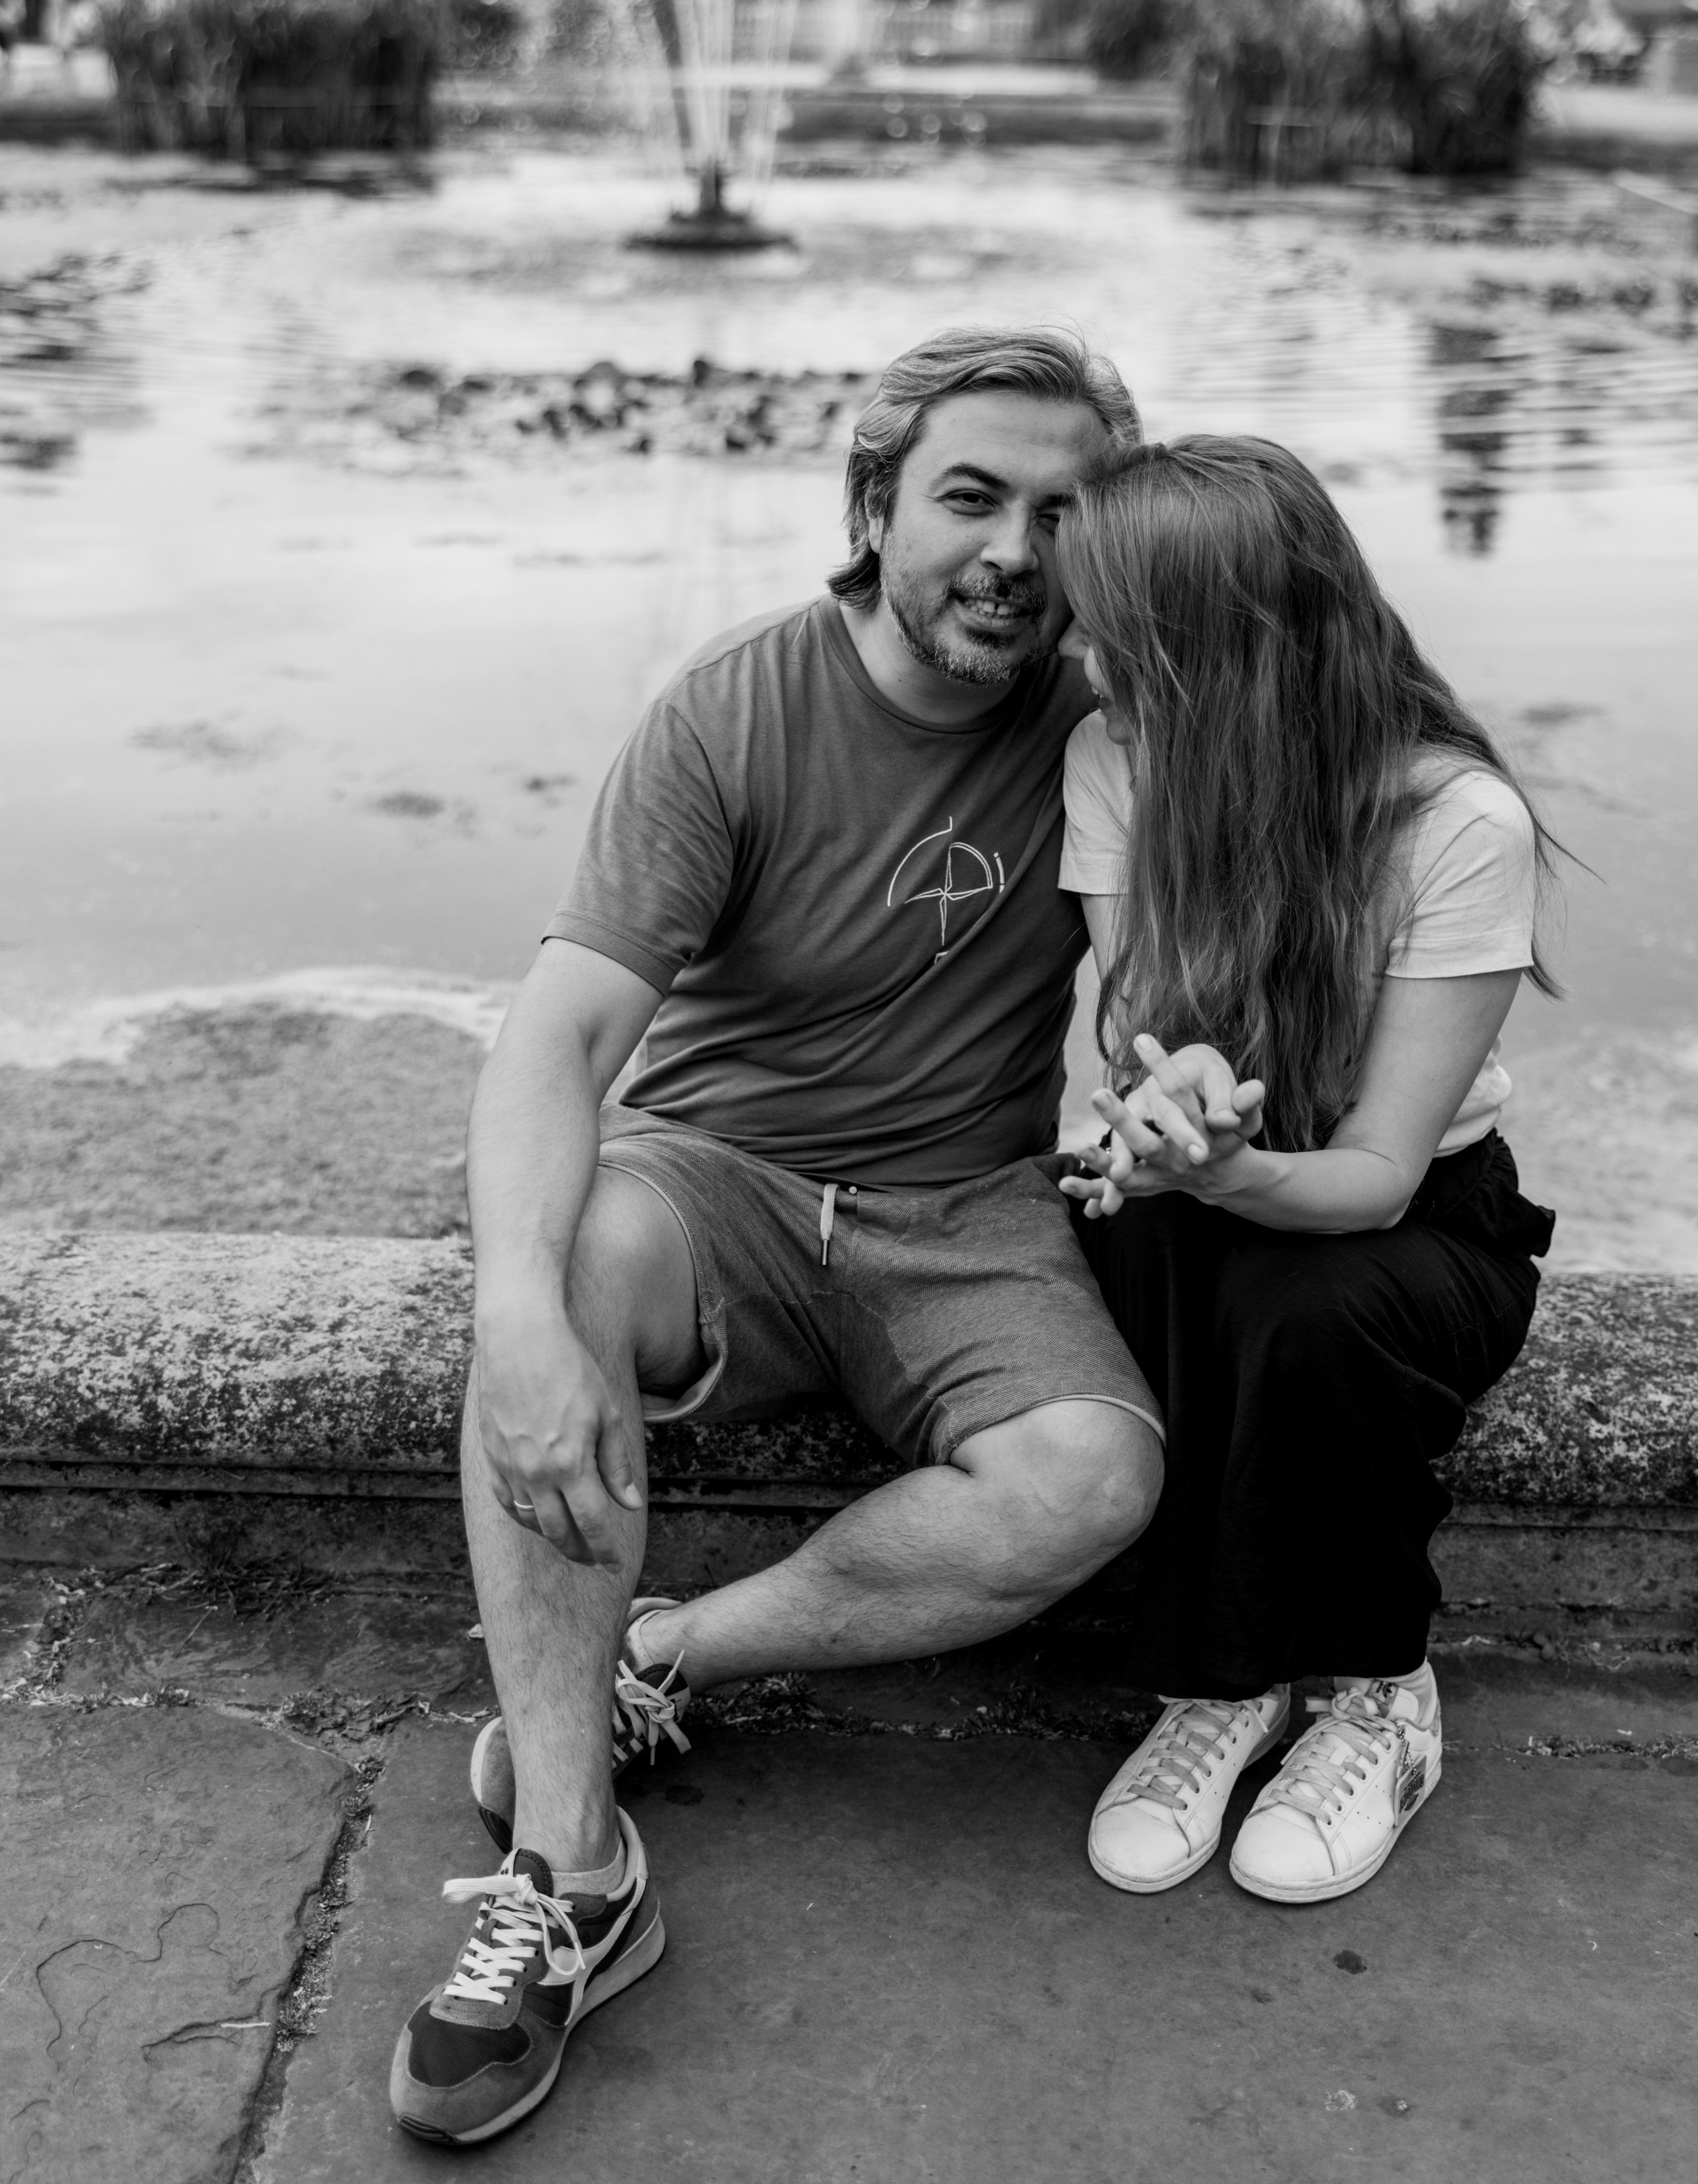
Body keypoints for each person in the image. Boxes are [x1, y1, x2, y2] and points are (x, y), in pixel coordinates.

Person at [389, 327, 1169, 2147]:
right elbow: (565, 1034)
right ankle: (576, 1871)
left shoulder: (1122, 728)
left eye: (1064, 511)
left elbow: (1248, 902)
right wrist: (511, 1310)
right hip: (718, 1176)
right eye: (970, 494)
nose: (1013, 550)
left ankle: (661, 1661)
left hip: (969, 1209)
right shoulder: (734, 707)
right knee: (570, 1286)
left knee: (1093, 1472)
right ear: (873, 503)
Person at [1051, 432, 1557, 1906]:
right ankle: (1222, 1686)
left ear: (1226, 650)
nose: (1080, 661)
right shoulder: (1118, 759)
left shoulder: (1453, 820)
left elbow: (1375, 1175)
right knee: (1118, 1240)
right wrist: (1166, 1113)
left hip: (1412, 1216)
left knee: (1302, 1309)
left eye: (1114, 633)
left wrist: (1224, 1177)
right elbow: (1132, 1016)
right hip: (1223, 1164)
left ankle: (1381, 1690)